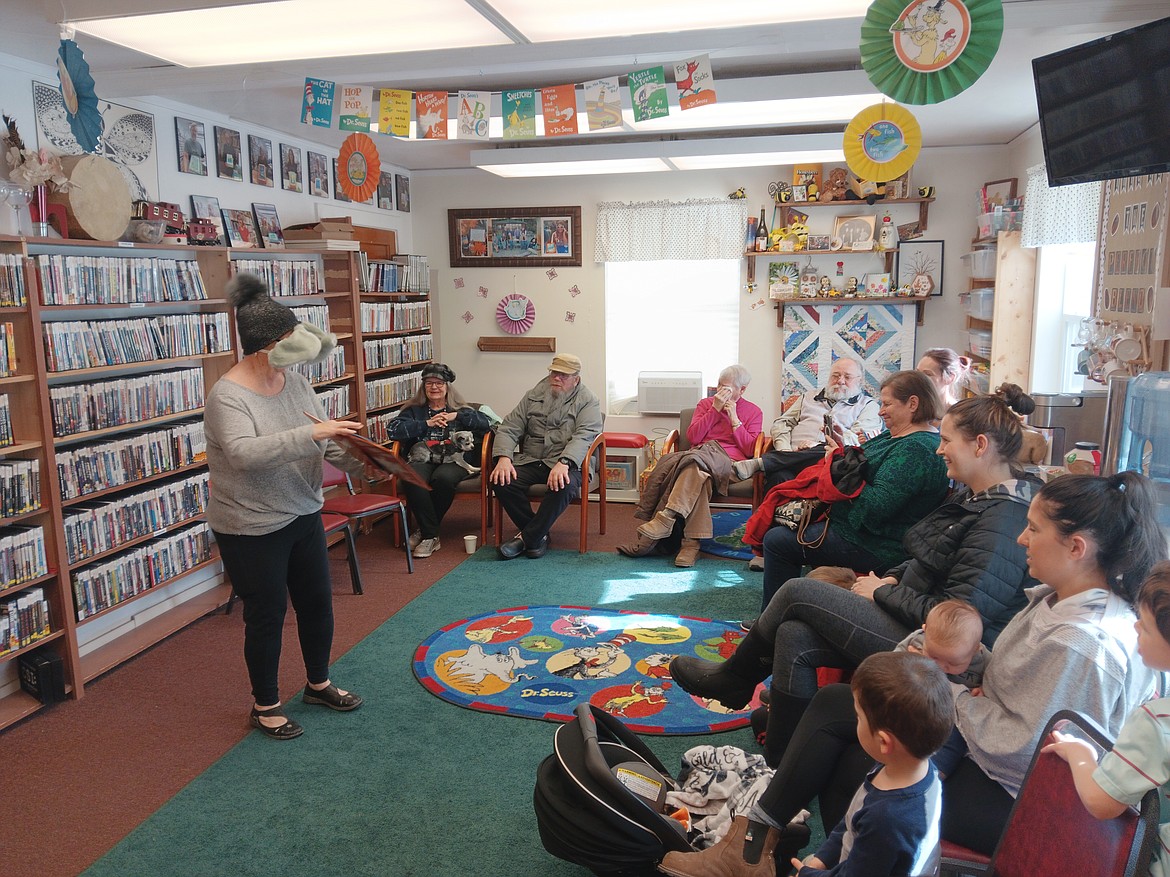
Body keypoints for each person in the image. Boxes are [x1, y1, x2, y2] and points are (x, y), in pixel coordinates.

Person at [714, 471, 1164, 862]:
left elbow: (1025, 750)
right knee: (839, 703)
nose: (1022, 539)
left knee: (865, 757)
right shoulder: (1059, 598)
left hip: (1024, 801)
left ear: (1077, 548)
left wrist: (946, 688)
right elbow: (1013, 679)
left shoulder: (1083, 644)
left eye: (1033, 529)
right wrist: (948, 657)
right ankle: (756, 841)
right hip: (995, 755)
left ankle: (807, 853)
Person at [673, 386, 1039, 764]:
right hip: (910, 613)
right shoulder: (980, 497)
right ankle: (781, 759)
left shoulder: (1001, 519)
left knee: (797, 592)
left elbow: (959, 620)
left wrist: (882, 592)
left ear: (980, 445)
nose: (939, 448)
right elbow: (926, 556)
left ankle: (735, 678)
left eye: (947, 440)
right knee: (793, 632)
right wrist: (894, 579)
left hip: (938, 652)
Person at [205, 274, 372, 740]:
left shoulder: (294, 382)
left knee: (318, 604)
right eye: (288, 338)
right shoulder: (228, 396)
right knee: (268, 614)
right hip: (251, 525)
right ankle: (265, 705)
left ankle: (318, 683)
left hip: (302, 512)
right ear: (267, 345)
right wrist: (314, 435)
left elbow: (319, 438)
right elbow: (243, 454)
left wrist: (363, 458)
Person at [659, 652, 953, 877]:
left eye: (859, 717)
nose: (854, 721)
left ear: (884, 743)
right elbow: (851, 824)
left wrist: (813, 873)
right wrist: (825, 855)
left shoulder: (888, 819)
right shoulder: (909, 772)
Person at [754, 370, 951, 612]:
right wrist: (841, 451)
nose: (881, 411)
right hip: (863, 531)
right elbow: (862, 463)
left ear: (912, 403)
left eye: (887, 404)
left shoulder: (916, 450)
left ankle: (772, 619)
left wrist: (840, 471)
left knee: (777, 541)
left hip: (880, 545)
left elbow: (876, 507)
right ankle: (782, 611)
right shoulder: (896, 437)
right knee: (782, 523)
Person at [1043, 560, 1170, 877]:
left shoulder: (1156, 721)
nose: (1136, 627)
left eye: (1145, 624)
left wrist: (1081, 754)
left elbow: (1101, 803)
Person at [617, 364, 762, 567]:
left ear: (742, 390)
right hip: (700, 457)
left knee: (692, 465)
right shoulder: (705, 405)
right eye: (719, 386)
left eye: (727, 388)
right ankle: (690, 545)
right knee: (696, 471)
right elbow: (693, 436)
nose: (721, 392)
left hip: (730, 464)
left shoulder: (753, 412)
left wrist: (735, 419)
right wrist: (714, 411)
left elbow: (749, 449)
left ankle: (668, 521)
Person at [489, 353, 602, 560]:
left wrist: (565, 462)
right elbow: (509, 427)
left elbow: (584, 435)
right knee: (502, 480)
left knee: (564, 485)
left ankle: (527, 538)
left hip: (571, 463)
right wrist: (504, 458)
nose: (556, 378)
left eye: (563, 375)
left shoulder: (588, 400)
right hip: (533, 459)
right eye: (554, 373)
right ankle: (538, 535)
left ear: (576, 379)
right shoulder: (533, 394)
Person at [384, 363, 491, 558]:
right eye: (429, 383)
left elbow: (487, 424)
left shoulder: (461, 409)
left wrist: (456, 416)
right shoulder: (413, 410)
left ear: (448, 386)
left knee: (443, 479)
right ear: (423, 387)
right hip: (422, 458)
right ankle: (431, 535)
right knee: (412, 477)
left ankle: (425, 532)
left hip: (454, 461)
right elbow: (393, 431)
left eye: (439, 383)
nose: (434, 387)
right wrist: (427, 423)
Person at [733, 358, 882, 490]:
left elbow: (857, 439)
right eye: (836, 375)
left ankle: (763, 463)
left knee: (830, 451)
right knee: (779, 477)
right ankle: (779, 520)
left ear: (860, 381)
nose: (840, 380)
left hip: (830, 463)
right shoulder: (809, 397)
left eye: (847, 377)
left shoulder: (868, 406)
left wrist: (816, 446)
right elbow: (782, 423)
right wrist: (785, 450)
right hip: (793, 456)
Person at [896, 599, 988, 689]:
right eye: (933, 656)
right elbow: (893, 660)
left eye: (952, 663)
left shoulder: (984, 660)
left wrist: (983, 689)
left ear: (975, 650)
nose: (939, 667)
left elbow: (993, 682)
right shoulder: (917, 639)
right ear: (925, 631)